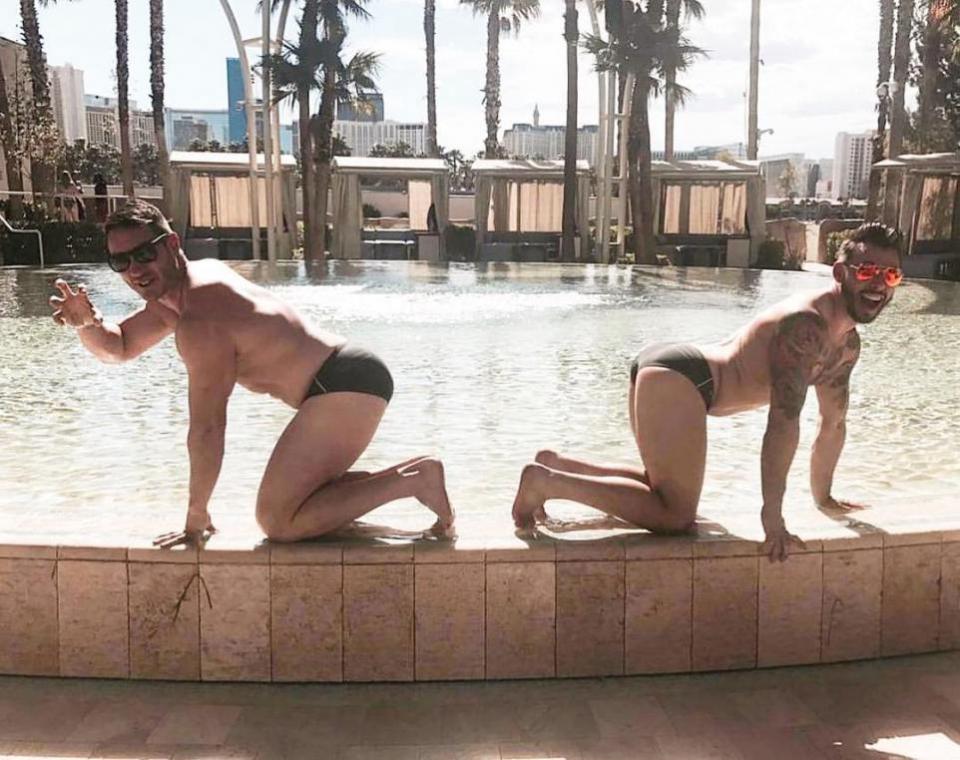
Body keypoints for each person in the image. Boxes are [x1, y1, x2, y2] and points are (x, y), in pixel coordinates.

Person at [49, 199, 455, 547]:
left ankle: (414, 481)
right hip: (347, 376)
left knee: (278, 520)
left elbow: (208, 428)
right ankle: (414, 475)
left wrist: (196, 515)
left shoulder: (201, 319)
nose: (134, 270)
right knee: (293, 505)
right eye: (119, 261)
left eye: (143, 255)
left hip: (342, 384)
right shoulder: (188, 287)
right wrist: (87, 324)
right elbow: (120, 347)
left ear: (171, 244)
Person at [511, 223, 904, 561]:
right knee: (675, 516)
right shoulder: (807, 326)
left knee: (663, 490)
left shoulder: (846, 346)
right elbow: (783, 423)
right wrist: (772, 518)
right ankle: (545, 483)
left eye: (890, 276)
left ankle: (559, 466)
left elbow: (832, 424)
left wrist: (825, 498)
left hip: (677, 373)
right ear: (840, 272)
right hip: (681, 379)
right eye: (868, 270)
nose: (878, 284)